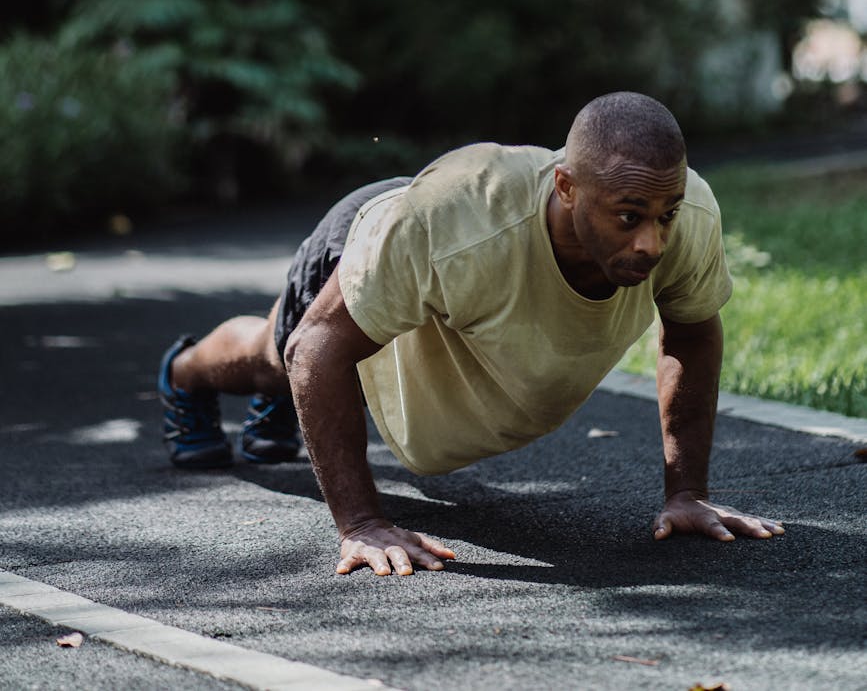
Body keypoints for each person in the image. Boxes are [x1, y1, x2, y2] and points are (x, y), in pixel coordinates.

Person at [158, 91, 784, 577]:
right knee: (276, 356)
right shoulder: (457, 227)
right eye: (628, 217)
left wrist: (688, 492)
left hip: (440, 249)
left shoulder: (685, 214)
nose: (652, 241)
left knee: (302, 370)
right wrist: (362, 523)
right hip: (375, 242)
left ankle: (285, 405)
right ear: (566, 188)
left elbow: (693, 334)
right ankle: (184, 372)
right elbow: (315, 347)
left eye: (664, 215)